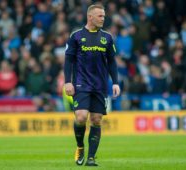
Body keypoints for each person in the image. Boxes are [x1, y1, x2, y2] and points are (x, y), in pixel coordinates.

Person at [64, 4, 120, 166]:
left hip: (100, 86)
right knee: (81, 117)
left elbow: (112, 62)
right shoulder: (76, 36)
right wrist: (68, 81)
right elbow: (68, 60)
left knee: (96, 120)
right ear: (90, 17)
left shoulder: (107, 37)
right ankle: (80, 146)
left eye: (104, 16)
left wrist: (115, 82)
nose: (103, 18)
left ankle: (91, 157)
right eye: (100, 16)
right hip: (81, 83)